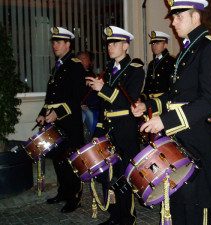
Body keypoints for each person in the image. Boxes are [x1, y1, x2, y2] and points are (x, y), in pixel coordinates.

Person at [131, 1, 211, 224]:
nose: (173, 23)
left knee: (195, 208)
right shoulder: (187, 49)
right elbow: (176, 96)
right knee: (178, 203)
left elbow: (208, 100)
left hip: (197, 141)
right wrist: (148, 105)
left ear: (196, 16)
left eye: (178, 16)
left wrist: (164, 120)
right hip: (177, 139)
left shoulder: (210, 46)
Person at [87, 26, 144, 225]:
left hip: (125, 129)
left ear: (126, 45)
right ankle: (114, 215)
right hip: (108, 129)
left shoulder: (136, 70)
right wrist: (98, 132)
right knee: (107, 174)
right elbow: (104, 107)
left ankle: (127, 218)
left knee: (123, 176)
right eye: (109, 43)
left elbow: (131, 102)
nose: (110, 46)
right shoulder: (109, 71)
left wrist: (104, 88)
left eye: (115, 43)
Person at [36, 27, 86, 213]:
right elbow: (51, 96)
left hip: (70, 122)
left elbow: (77, 96)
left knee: (71, 162)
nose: (55, 45)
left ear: (68, 44)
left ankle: (75, 197)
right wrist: (43, 112)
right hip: (55, 122)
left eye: (58, 42)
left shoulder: (75, 65)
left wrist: (58, 112)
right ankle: (63, 192)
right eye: (53, 42)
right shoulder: (57, 67)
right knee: (58, 160)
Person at [140, 30, 176, 101]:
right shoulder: (152, 64)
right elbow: (147, 88)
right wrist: (141, 98)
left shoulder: (172, 62)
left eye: (157, 43)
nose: (154, 46)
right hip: (151, 102)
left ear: (165, 45)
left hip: (165, 101)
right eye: (153, 43)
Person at [77, 51, 101, 136]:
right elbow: (76, 90)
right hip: (82, 105)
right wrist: (82, 104)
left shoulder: (90, 73)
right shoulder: (76, 72)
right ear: (81, 60)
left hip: (93, 105)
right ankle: (93, 137)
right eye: (87, 59)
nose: (90, 62)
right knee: (88, 115)